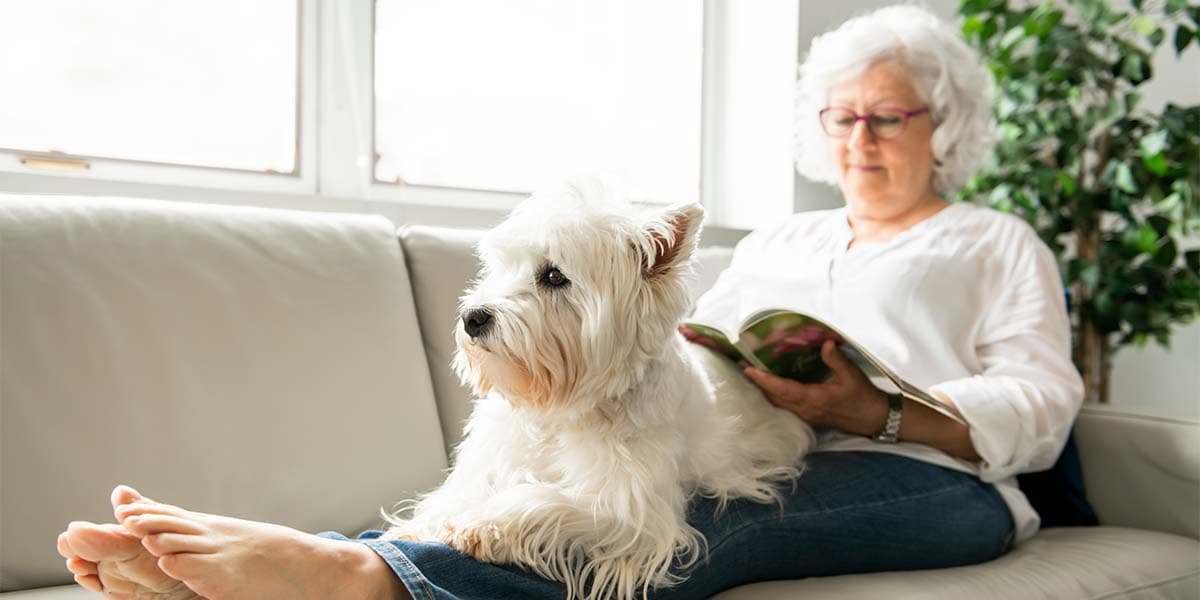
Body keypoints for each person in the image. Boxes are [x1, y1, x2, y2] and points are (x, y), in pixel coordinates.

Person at [55, 5, 1083, 599]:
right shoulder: (783, 239)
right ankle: (361, 561)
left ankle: (360, 579)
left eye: (889, 116)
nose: (860, 138)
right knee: (649, 489)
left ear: (944, 125)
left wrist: (877, 410)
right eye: (842, 117)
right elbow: (670, 343)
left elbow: (1042, 401)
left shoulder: (994, 242)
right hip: (771, 443)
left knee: (704, 535)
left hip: (931, 480)